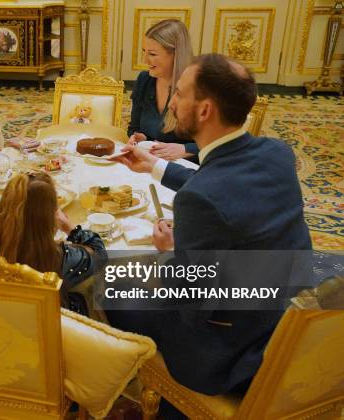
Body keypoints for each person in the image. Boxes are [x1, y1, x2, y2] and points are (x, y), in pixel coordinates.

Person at [110, 54, 311, 416]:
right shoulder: (276, 153)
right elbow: (226, 187)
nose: (172, 101)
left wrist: (169, 253)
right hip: (285, 317)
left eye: (180, 94)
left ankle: (159, 399)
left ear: (203, 111)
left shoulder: (201, 199)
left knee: (113, 286)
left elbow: (191, 305)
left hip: (233, 352)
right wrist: (155, 167)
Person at [0, 172, 107, 308]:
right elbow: (100, 255)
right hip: (51, 324)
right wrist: (70, 228)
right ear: (49, 217)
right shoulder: (58, 257)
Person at [127, 19, 197, 162]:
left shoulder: (200, 87)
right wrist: (140, 138)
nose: (145, 60)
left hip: (187, 171)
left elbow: (221, 145)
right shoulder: (144, 80)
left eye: (152, 54)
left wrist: (185, 149)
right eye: (144, 52)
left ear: (175, 55)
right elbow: (133, 128)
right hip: (150, 165)